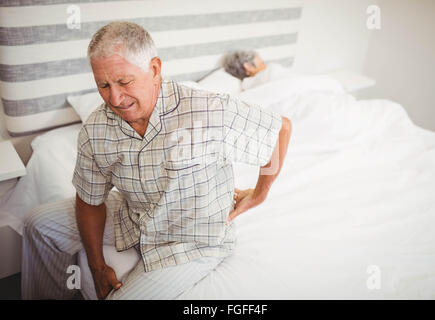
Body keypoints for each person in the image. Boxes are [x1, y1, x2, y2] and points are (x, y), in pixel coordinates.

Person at [21, 21, 292, 300]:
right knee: (37, 224)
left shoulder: (207, 109)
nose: (114, 97)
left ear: (154, 69)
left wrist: (259, 194)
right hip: (136, 215)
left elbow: (280, 128)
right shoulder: (97, 128)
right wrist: (97, 265)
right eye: (103, 85)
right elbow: (89, 200)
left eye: (124, 82)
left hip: (193, 242)